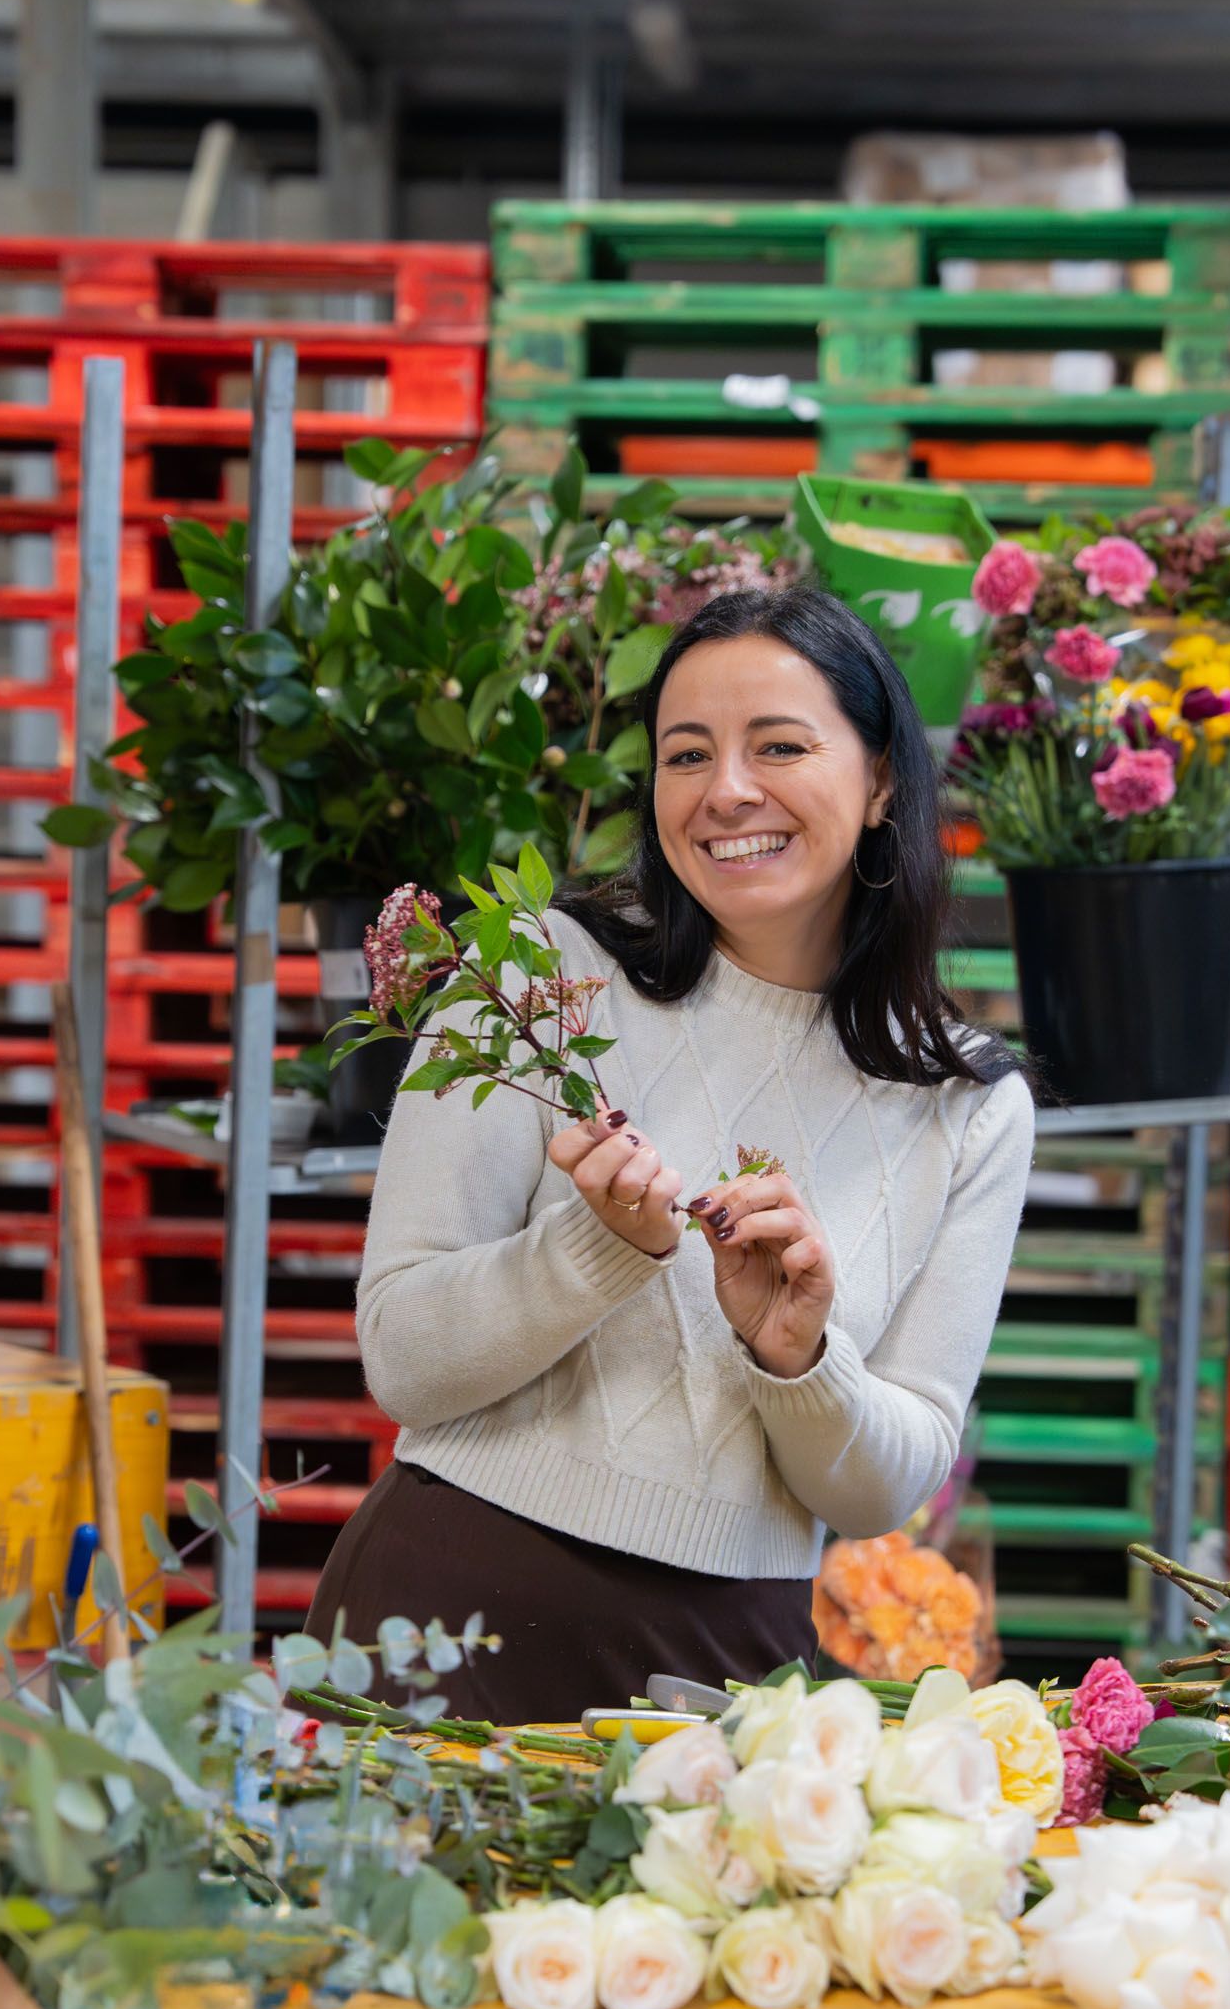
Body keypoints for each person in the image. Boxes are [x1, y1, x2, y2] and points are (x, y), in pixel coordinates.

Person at [305, 584, 1035, 1721]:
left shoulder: (965, 1103)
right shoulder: (535, 974)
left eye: (779, 745)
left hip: (719, 1678)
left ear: (883, 777)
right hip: (438, 1619)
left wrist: (800, 1358)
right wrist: (591, 1253)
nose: (725, 790)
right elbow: (402, 1356)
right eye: (685, 754)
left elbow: (885, 1485)